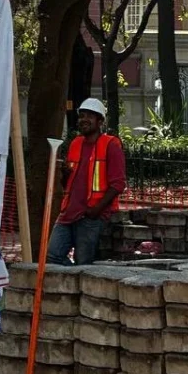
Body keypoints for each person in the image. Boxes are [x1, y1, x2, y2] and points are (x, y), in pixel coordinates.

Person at [46, 98, 126, 266]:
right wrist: (65, 174)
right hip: (69, 212)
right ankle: (71, 284)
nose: (84, 120)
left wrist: (96, 209)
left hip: (91, 215)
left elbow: (118, 184)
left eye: (90, 116)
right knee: (53, 255)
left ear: (100, 121)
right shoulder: (75, 143)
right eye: (82, 116)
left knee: (83, 262)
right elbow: (71, 181)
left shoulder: (111, 144)